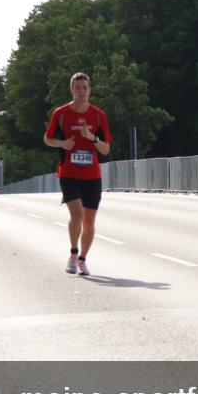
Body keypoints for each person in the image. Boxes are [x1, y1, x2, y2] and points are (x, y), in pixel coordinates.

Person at [44, 72, 112, 276]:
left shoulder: (98, 115)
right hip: (69, 173)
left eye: (85, 87)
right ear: (71, 90)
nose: (81, 91)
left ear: (90, 90)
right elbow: (48, 139)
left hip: (92, 175)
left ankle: (83, 259)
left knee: (89, 221)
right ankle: (73, 254)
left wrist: (92, 138)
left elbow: (106, 149)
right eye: (77, 87)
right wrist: (62, 143)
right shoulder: (61, 113)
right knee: (77, 214)